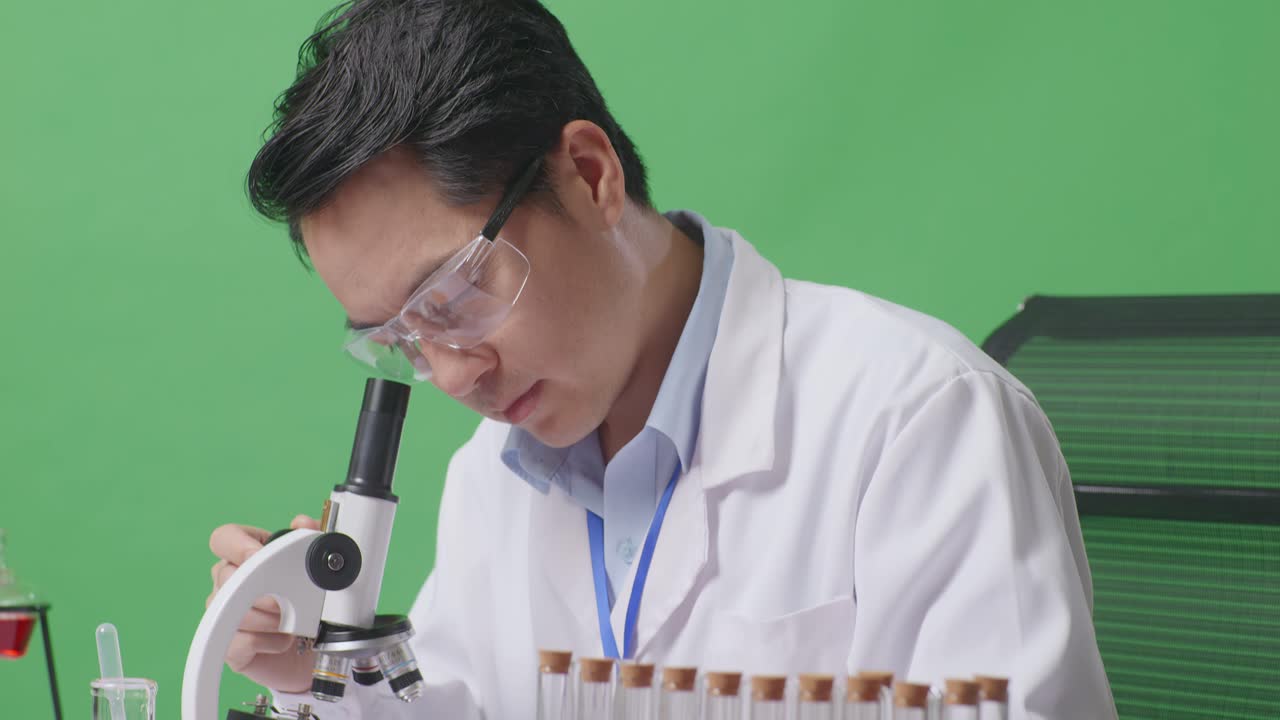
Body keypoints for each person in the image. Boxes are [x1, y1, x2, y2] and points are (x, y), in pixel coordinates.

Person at [206, 0, 1117, 717]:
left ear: (592, 176)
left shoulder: (916, 417)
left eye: (453, 298)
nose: (450, 375)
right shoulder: (498, 473)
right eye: (401, 338)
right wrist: (318, 668)